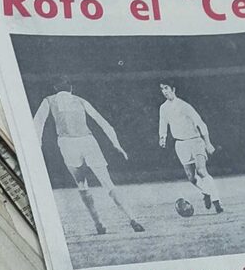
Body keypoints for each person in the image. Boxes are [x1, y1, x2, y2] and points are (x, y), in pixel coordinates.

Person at [33, 79, 145, 236]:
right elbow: (104, 123)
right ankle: (133, 219)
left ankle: (98, 224)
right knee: (108, 183)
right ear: (71, 88)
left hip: (67, 143)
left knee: (82, 184)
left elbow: (37, 124)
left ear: (55, 88)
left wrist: (37, 147)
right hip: (88, 141)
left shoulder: (49, 100)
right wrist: (116, 144)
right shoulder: (80, 100)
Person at [157, 81, 223, 214]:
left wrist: (208, 143)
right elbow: (163, 123)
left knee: (201, 171)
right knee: (191, 177)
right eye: (162, 89)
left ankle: (217, 201)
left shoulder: (184, 106)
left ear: (173, 89)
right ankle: (206, 192)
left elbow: (201, 124)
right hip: (181, 144)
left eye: (166, 88)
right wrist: (162, 137)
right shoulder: (163, 108)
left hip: (195, 141)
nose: (164, 91)